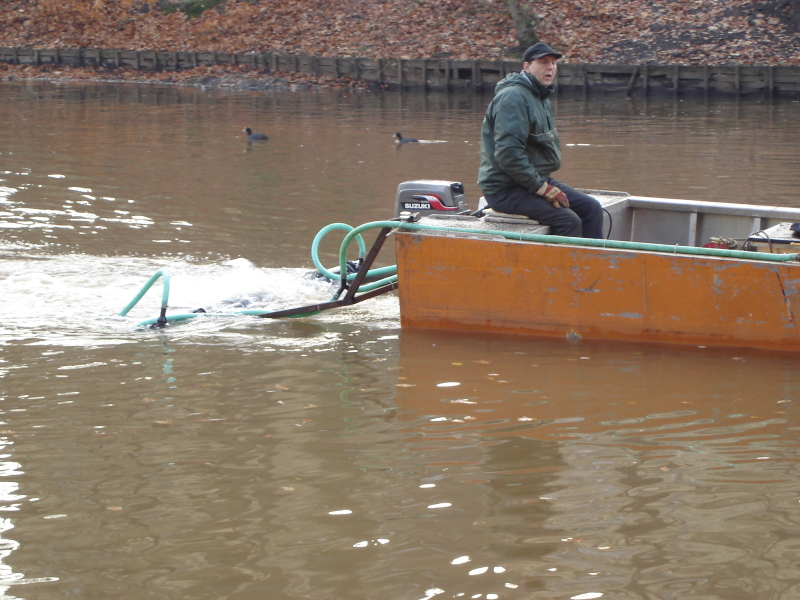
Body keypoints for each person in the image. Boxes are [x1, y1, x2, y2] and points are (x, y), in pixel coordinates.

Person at [477, 42, 604, 238]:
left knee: (592, 208)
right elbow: (508, 154)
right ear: (527, 67)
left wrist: (542, 184)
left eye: (553, 63)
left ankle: (591, 265)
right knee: (568, 221)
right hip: (506, 189)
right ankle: (565, 268)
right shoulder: (513, 98)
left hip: (534, 180)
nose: (550, 67)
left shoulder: (539, 96)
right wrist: (543, 189)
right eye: (543, 62)